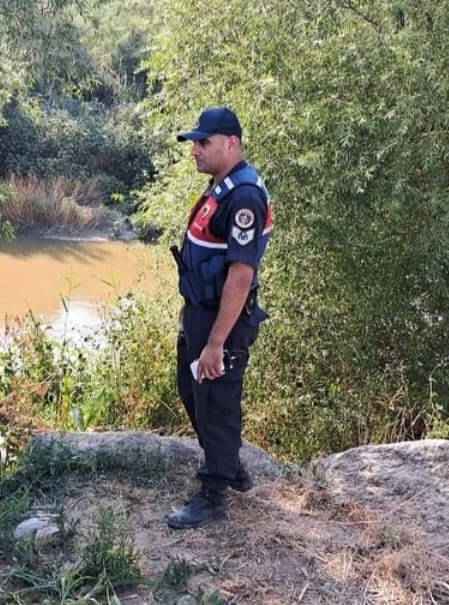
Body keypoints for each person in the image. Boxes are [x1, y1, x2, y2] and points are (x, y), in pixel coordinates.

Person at [166, 107, 272, 529]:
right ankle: (230, 466)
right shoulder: (222, 185)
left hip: (220, 322)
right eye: (195, 142)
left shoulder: (244, 196)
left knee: (216, 402)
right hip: (200, 313)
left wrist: (214, 342)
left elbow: (241, 275)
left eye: (203, 142)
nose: (195, 150)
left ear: (231, 143)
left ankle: (213, 495)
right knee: (192, 392)